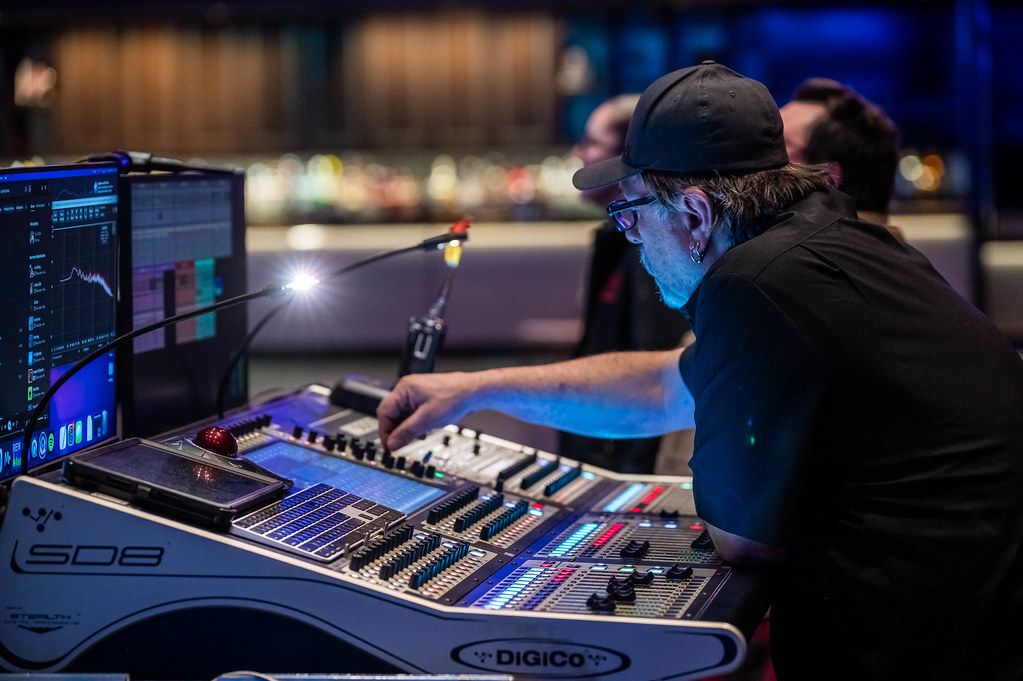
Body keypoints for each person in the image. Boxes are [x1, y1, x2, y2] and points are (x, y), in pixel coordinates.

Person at [378, 62, 1023, 681]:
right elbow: (663, 387)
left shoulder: (754, 284)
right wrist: (474, 390)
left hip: (920, 654)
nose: (631, 238)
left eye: (631, 214)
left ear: (693, 214)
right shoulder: (833, 248)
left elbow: (741, 537)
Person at [563, 94, 689, 473]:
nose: (578, 152)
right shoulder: (614, 238)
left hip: (633, 465)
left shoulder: (656, 248)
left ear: (627, 158)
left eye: (591, 142)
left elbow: (656, 370)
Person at [780, 77, 901, 231]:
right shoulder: (884, 243)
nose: (757, 149)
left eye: (778, 141)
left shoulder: (793, 244)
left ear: (829, 175)